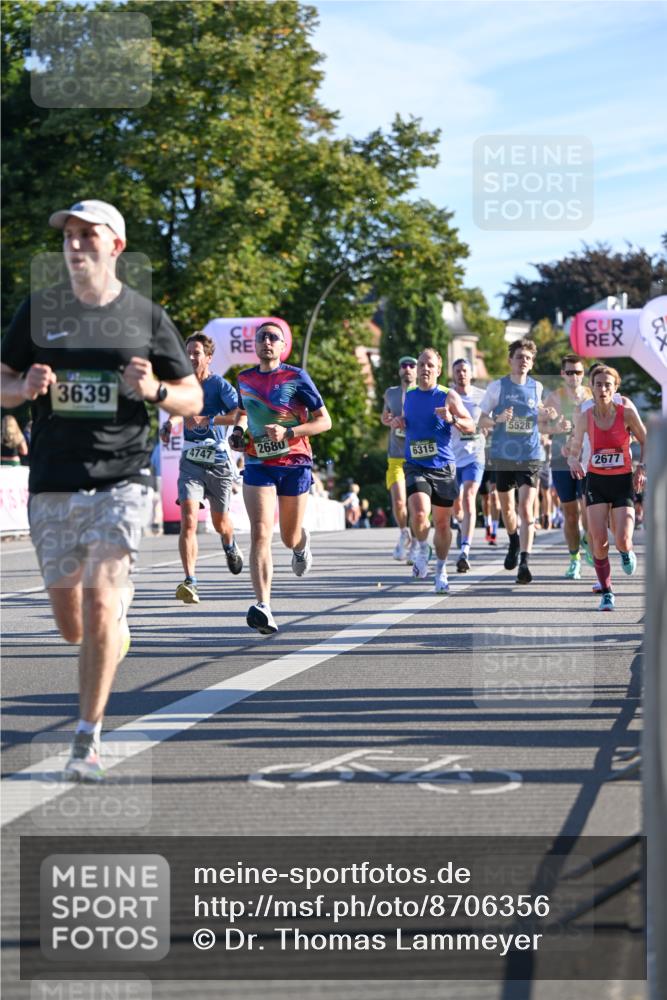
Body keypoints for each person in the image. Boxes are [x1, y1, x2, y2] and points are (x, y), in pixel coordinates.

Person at [0, 199, 202, 781]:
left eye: (89, 234)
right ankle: (113, 626)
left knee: (99, 598)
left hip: (124, 478)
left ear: (115, 245)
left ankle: (86, 739)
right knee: (73, 624)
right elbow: (3, 379)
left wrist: (157, 391)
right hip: (54, 483)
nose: (76, 244)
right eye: (68, 235)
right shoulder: (39, 311)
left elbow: (191, 397)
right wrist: (22, 387)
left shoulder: (144, 316)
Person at [231, 320, 331, 635]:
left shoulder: (296, 377)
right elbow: (244, 412)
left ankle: (301, 545)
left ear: (283, 344)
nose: (267, 342)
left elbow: (324, 421)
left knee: (287, 537)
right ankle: (264, 606)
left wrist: (289, 431)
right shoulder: (244, 379)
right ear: (256, 345)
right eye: (262, 337)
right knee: (260, 533)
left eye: (273, 337)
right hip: (258, 461)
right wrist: (237, 431)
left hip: (294, 461)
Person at [160, 332, 243, 604]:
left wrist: (208, 420)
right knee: (188, 519)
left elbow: (239, 414)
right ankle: (190, 580)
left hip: (218, 461)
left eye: (196, 353)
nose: (191, 358)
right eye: (188, 353)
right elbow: (178, 410)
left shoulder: (219, 385)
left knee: (220, 523)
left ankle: (229, 545)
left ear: (208, 358)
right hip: (191, 462)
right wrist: (171, 424)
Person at [391, 347, 475, 593]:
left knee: (441, 524)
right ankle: (419, 547)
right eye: (421, 364)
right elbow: (409, 423)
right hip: (416, 464)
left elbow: (470, 425)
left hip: (443, 467)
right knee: (418, 513)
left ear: (438, 370)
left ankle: (441, 568)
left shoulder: (448, 396)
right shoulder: (411, 395)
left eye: (430, 365)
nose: (424, 368)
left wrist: (452, 419)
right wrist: (400, 422)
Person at [567, 366, 646, 611]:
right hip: (596, 482)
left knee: (622, 538)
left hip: (622, 481)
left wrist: (641, 466)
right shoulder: (585, 417)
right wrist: (572, 459)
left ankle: (625, 551)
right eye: (598, 384)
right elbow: (575, 445)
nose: (603, 389)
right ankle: (608, 592)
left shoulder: (627, 414)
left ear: (615, 388)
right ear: (591, 387)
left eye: (608, 385)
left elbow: (646, 440)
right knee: (599, 540)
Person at [479, 339, 557, 584]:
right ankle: (513, 540)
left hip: (531, 454)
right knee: (507, 509)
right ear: (510, 360)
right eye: (519, 356)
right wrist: (498, 418)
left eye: (528, 358)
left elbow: (538, 411)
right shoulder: (496, 387)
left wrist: (547, 414)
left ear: (532, 363)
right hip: (503, 455)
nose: (524, 361)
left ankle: (524, 562)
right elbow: (481, 420)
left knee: (525, 508)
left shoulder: (537, 387)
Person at [541, 355, 592, 580]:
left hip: (587, 459)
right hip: (562, 461)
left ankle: (588, 540)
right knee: (570, 514)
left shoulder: (592, 396)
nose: (574, 377)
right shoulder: (554, 398)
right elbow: (541, 427)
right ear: (563, 374)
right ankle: (574, 559)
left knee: (589, 510)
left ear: (584, 374)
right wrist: (555, 427)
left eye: (578, 372)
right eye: (569, 372)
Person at [449, 358, 485, 572]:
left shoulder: (482, 396)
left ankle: (465, 550)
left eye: (464, 370)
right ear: (453, 375)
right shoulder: (448, 396)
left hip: (475, 456)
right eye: (457, 371)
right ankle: (459, 524)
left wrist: (487, 426)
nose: (461, 374)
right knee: (457, 505)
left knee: (469, 497)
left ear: (471, 373)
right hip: (452, 457)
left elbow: (491, 418)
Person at [381, 356, 417, 561]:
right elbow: (384, 416)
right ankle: (404, 533)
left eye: (412, 366)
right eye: (404, 366)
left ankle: (416, 541)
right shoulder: (391, 393)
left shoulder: (422, 393)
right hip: (395, 456)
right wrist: (387, 419)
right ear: (399, 371)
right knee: (399, 500)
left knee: (415, 504)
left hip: (416, 456)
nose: (408, 369)